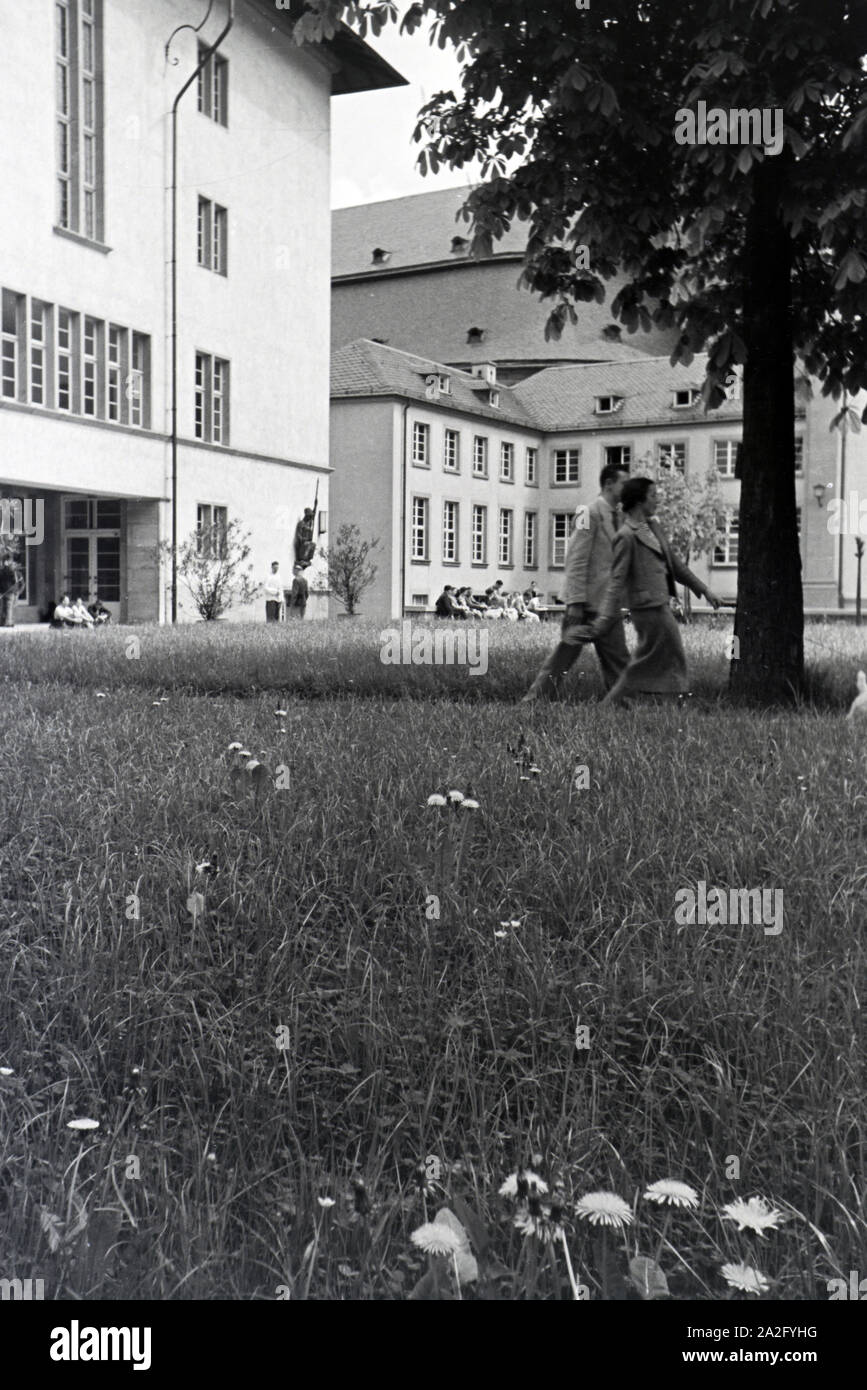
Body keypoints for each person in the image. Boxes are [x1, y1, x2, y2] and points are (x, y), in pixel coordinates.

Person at [583, 477, 723, 704]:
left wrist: (704, 590)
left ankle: (655, 703)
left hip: (659, 604)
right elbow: (616, 582)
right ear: (639, 501)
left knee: (654, 658)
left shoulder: (652, 528)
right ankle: (673, 703)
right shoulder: (625, 536)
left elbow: (675, 565)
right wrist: (605, 618)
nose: (657, 500)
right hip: (646, 609)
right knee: (667, 655)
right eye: (653, 496)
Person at [523, 464, 631, 701]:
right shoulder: (587, 512)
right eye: (624, 483)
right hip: (585, 605)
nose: (627, 488)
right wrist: (575, 601)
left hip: (607, 604)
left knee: (619, 660)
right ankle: (533, 702)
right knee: (563, 658)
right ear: (609, 484)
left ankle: (626, 706)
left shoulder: (621, 517)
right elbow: (576, 558)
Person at [0, 549, 23, 627]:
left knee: (3, 607)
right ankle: (8, 622)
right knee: (9, 607)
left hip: (3, 591)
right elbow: (15, 581)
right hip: (10, 592)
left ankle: (2, 622)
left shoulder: (2, 570)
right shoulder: (12, 571)